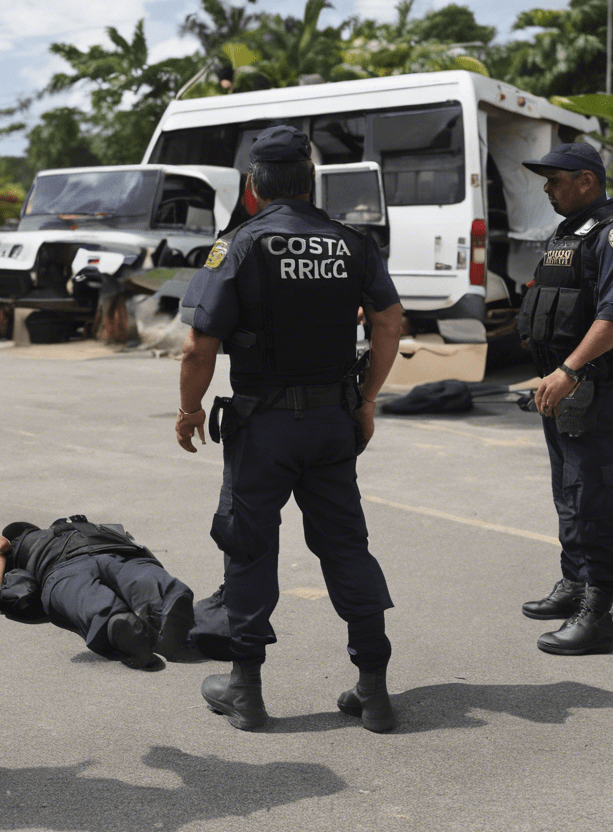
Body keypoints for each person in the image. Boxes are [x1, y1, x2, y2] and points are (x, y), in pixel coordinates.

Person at [174, 125, 403, 733]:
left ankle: (245, 691)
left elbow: (199, 344)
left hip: (263, 424)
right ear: (310, 182)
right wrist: (368, 399)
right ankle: (374, 691)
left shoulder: (240, 246)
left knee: (249, 548)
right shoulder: (352, 243)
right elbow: (390, 322)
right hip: (333, 420)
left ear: (254, 187)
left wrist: (189, 409)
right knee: (346, 545)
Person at [517, 143, 613, 653]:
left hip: (588, 385)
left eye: (554, 180)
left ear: (587, 181)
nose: (547, 188)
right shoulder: (567, 234)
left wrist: (571, 368)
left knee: (590, 494)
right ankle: (581, 581)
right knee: (570, 494)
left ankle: (598, 612)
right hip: (562, 386)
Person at [0, 517, 197, 668]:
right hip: (115, 551)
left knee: (85, 599)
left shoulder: (18, 545)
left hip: (61, 568)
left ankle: (115, 625)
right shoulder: (82, 525)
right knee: (140, 576)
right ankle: (166, 598)